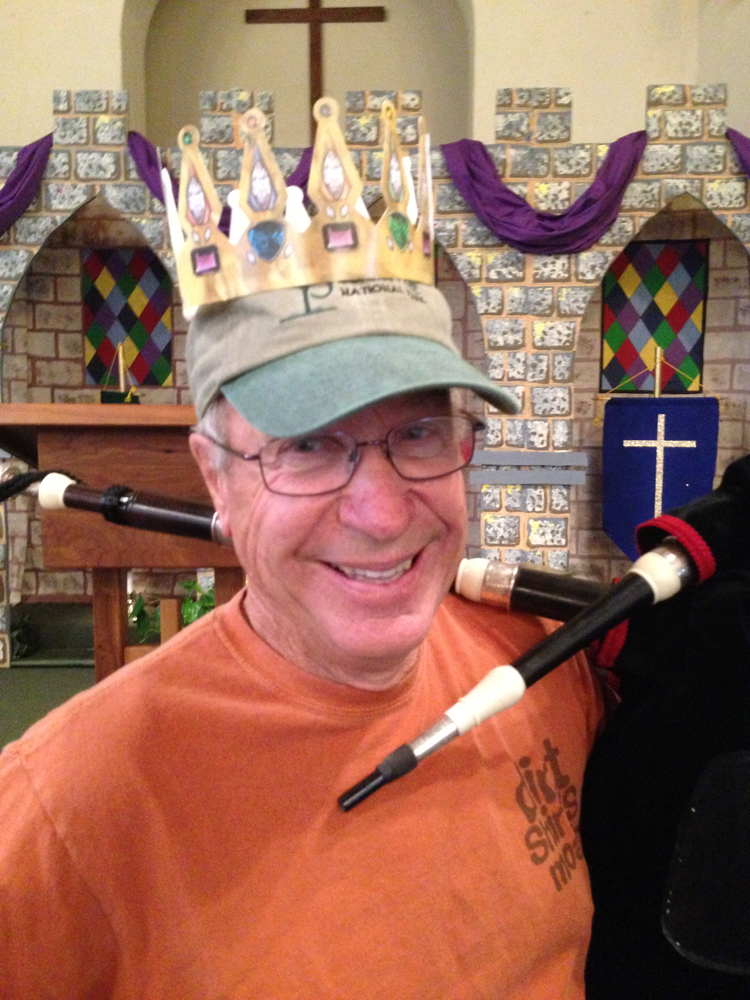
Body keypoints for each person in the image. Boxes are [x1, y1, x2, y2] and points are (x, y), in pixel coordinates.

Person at [0, 100, 604, 999]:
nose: (382, 512)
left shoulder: (548, 661)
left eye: (420, 434)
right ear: (216, 475)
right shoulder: (66, 810)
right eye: (310, 445)